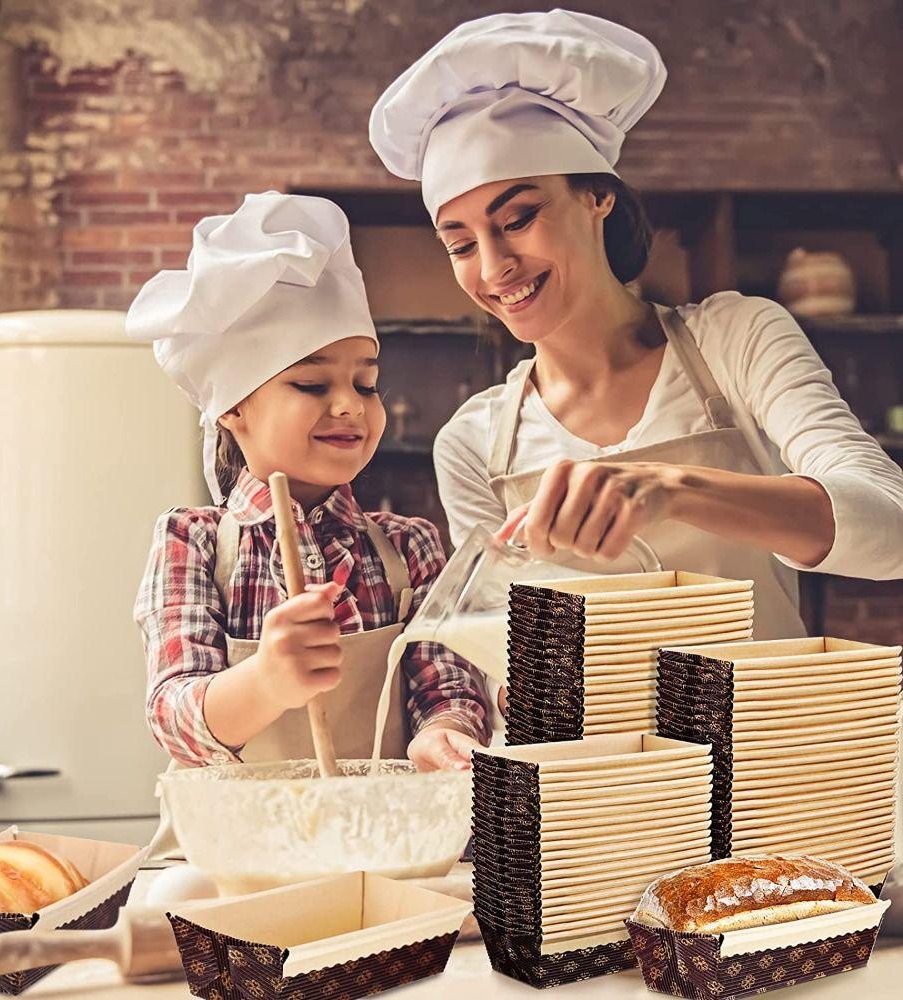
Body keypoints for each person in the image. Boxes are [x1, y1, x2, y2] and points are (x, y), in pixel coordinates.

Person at [367, 9, 903, 647]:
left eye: (518, 219)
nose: (492, 267)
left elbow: (891, 529)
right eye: (460, 245)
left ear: (598, 196)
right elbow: (504, 649)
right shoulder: (472, 443)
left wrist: (673, 489)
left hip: (762, 712)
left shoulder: (736, 339)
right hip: (586, 721)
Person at [127, 192, 489, 856]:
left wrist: (445, 731)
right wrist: (266, 680)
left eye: (366, 383)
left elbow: (447, 682)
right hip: (239, 859)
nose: (349, 405)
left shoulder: (410, 546)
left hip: (383, 852)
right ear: (234, 407)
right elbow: (174, 716)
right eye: (312, 385)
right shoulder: (192, 542)